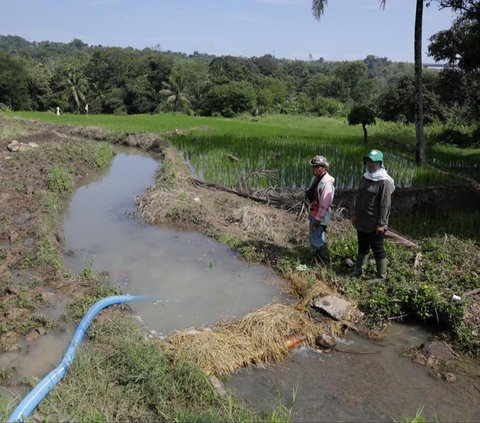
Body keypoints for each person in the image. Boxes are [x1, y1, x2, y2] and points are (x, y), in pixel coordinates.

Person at [350, 149, 395, 280]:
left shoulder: (384, 181)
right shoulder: (366, 177)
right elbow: (359, 197)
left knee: (377, 248)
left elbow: (385, 204)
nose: (370, 164)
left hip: (375, 222)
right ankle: (359, 270)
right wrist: (355, 214)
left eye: (373, 162)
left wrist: (382, 223)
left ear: (380, 163)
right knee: (362, 245)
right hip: (362, 219)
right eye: (368, 161)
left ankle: (381, 276)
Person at [305, 155, 335, 265]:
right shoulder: (317, 179)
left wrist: (318, 218)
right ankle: (318, 259)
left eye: (317, 167)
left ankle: (324, 262)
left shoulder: (326, 183)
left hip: (319, 214)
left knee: (316, 238)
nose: (314, 169)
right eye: (313, 167)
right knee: (317, 236)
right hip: (314, 211)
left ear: (324, 168)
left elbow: (325, 203)